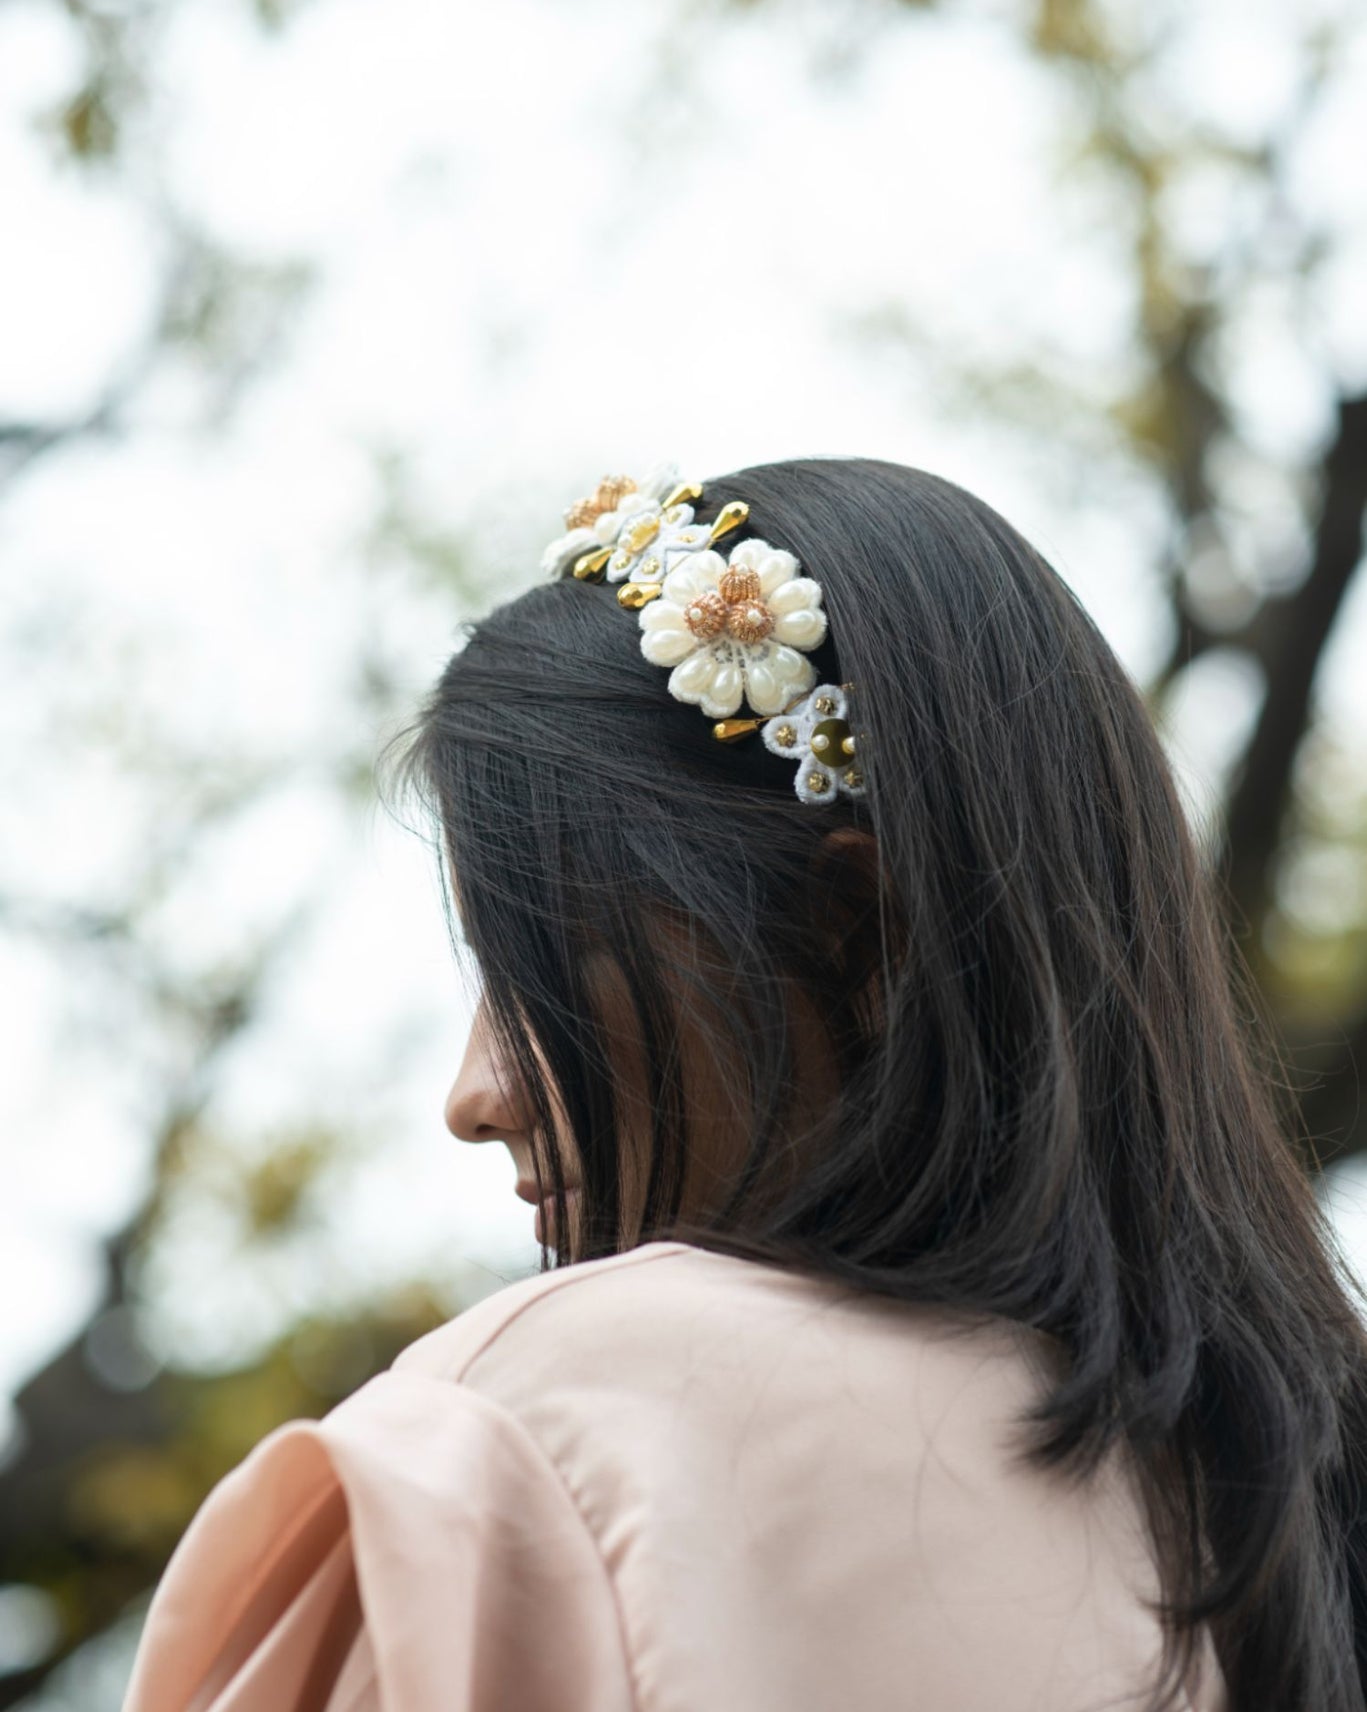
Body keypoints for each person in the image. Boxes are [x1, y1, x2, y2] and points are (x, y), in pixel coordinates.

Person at [121, 456, 1367, 1712]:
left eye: (536, 968)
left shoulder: (548, 1431)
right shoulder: (1284, 1516)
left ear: (849, 929)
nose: (474, 1093)